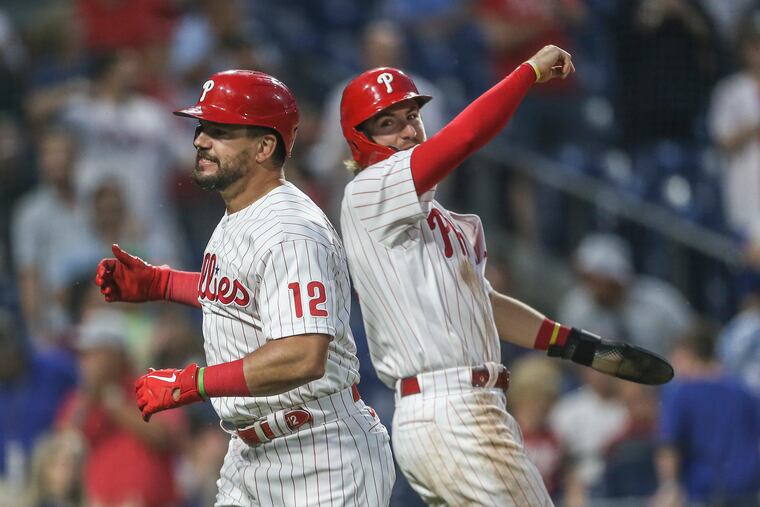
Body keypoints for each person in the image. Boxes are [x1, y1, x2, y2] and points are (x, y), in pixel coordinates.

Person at [338, 44, 647, 505]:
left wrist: (576, 346)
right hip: (455, 410)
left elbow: (484, 302)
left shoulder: (435, 219)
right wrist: (528, 71)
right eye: (388, 123)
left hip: (452, 413)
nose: (407, 130)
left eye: (411, 117)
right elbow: (464, 138)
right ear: (360, 140)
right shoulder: (367, 191)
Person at [94, 69, 394, 506]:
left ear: (264, 147)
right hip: (253, 453)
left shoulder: (291, 229)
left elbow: (303, 353)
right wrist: (162, 282)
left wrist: (194, 383)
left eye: (220, 131)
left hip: (322, 454)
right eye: (201, 128)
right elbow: (244, 296)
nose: (199, 140)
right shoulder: (241, 212)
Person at [56, 308, 187, 507]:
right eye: (83, 356)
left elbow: (164, 436)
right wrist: (87, 402)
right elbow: (62, 447)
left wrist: (114, 404)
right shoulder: (81, 400)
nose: (85, 363)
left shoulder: (153, 386)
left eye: (92, 354)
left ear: (115, 354)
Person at [653, 319, 760, 507]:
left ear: (687, 353)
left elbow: (669, 446)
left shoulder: (680, 392)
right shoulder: (744, 391)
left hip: (702, 495)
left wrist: (669, 487)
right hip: (748, 493)